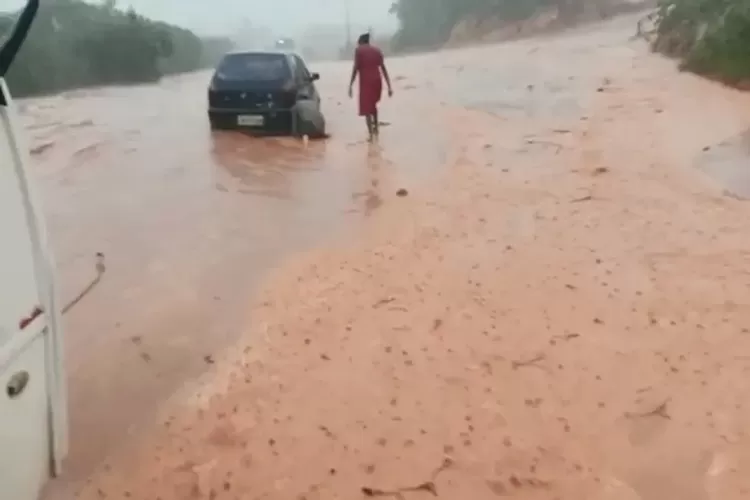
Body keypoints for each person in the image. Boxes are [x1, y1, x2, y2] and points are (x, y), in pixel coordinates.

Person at [348, 32, 393, 141]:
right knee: (373, 106)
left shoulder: (359, 51)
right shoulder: (377, 51)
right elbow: (383, 68)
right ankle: (376, 129)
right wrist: (389, 86)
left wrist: (350, 84)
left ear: (361, 42)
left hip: (366, 82)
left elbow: (356, 68)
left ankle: (371, 134)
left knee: (366, 108)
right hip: (377, 81)